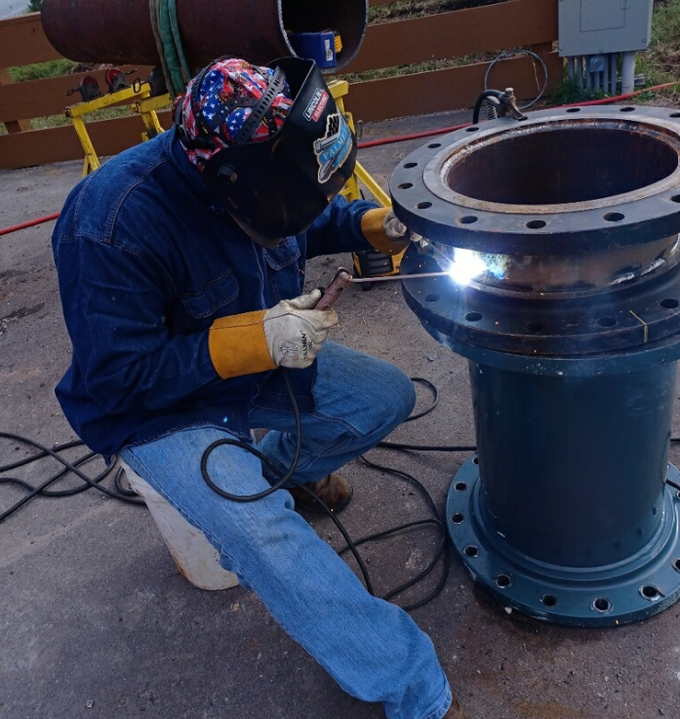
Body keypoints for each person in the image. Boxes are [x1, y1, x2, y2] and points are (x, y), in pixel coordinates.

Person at [51, 55, 470, 719]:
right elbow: (116, 379)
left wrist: (369, 223)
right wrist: (246, 341)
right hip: (161, 410)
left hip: (261, 360)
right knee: (266, 539)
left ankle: (283, 474)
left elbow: (308, 213)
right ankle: (415, 689)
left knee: (386, 396)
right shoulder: (109, 221)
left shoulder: (265, 171)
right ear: (228, 180)